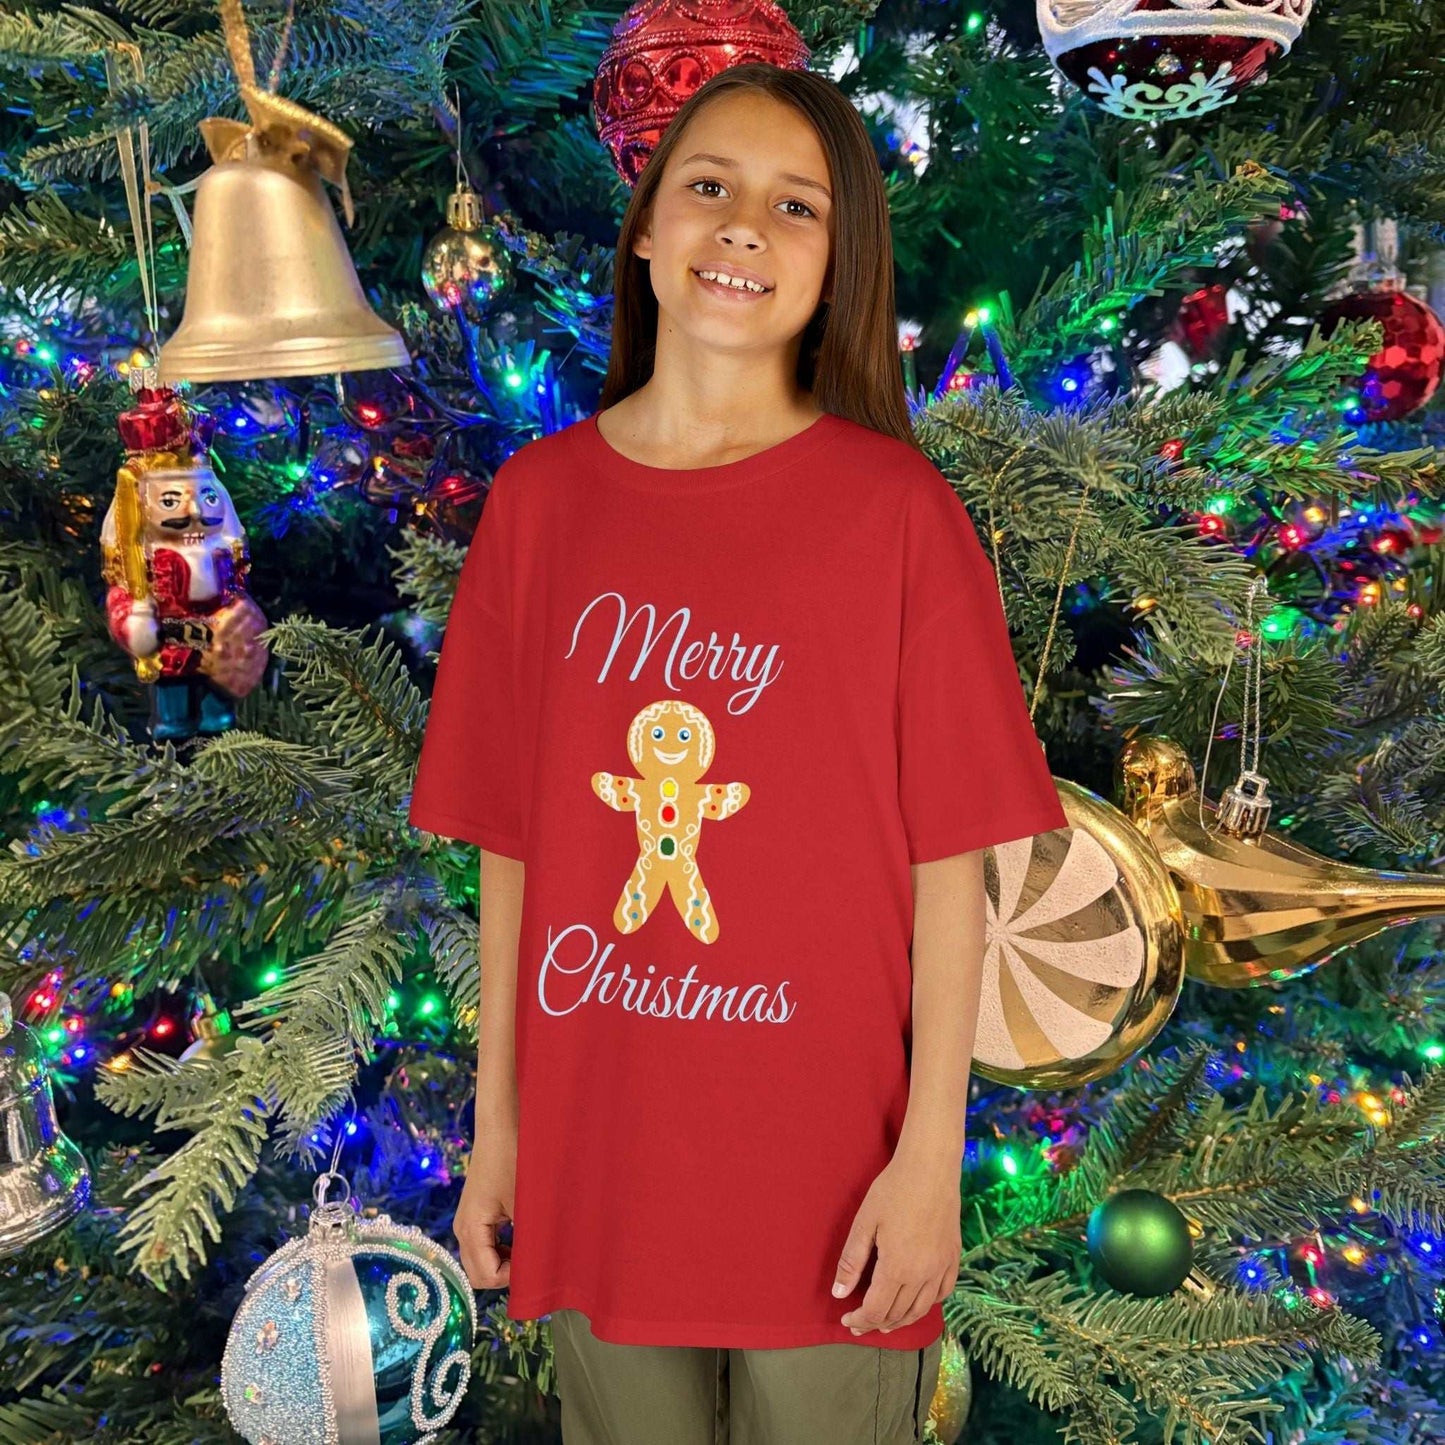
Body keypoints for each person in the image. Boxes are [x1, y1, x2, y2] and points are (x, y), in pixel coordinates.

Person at [408, 59, 1067, 1445]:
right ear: (646, 229)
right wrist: (499, 1133)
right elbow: (510, 847)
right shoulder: (540, 508)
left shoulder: (899, 516)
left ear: (837, 268)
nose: (743, 228)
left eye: (795, 206)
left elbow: (953, 863)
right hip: (601, 1156)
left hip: (829, 1177)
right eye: (708, 186)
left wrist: (928, 1165)